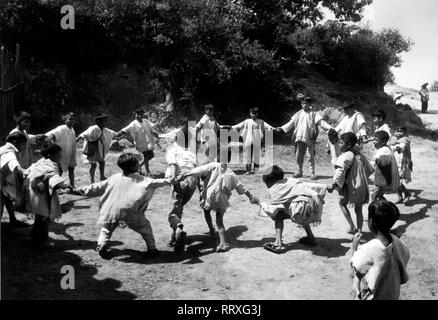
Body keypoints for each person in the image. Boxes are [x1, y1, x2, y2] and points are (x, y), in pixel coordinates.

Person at [75, 153, 173, 259]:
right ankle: (152, 249)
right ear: (135, 166)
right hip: (131, 212)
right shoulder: (142, 179)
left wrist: (79, 190)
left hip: (110, 211)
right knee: (145, 228)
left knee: (106, 229)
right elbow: (160, 182)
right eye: (137, 163)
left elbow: (96, 187)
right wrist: (172, 180)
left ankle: (101, 245)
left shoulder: (113, 178)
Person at [180, 162, 254, 252]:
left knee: (206, 211)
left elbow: (197, 171)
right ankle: (222, 243)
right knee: (219, 221)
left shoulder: (212, 165)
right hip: (222, 198)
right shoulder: (231, 173)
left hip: (209, 196)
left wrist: (182, 174)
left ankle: (211, 230)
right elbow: (241, 186)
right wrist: (250, 196)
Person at [251, 165, 326, 252]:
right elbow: (309, 185)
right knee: (298, 203)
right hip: (316, 210)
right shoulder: (291, 180)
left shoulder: (274, 190)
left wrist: (258, 202)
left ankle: (277, 243)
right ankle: (311, 238)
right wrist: (326, 187)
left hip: (302, 214)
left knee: (278, 214)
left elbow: (271, 211)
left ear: (269, 181)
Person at [350, 200, 410, 300]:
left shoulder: (368, 249)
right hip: (391, 294)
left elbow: (357, 270)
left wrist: (354, 248)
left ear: (371, 222)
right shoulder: (399, 244)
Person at [25, 143, 73, 248]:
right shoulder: (52, 165)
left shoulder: (40, 162)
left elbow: (27, 172)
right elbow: (54, 178)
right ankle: (42, 241)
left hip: (33, 192)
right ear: (51, 155)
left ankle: (34, 234)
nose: (60, 157)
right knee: (44, 216)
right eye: (58, 154)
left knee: (39, 215)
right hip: (42, 196)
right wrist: (65, 185)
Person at [327, 132, 374, 234]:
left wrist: (334, 185)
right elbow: (369, 169)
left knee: (342, 203)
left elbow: (340, 172)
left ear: (348, 145)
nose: (339, 145)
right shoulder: (359, 155)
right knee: (358, 209)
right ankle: (360, 230)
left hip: (349, 186)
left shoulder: (346, 156)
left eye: (340, 143)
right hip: (361, 185)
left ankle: (352, 226)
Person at [275, 96, 332, 180]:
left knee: (310, 155)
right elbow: (291, 123)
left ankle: (312, 173)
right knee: (299, 155)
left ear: (309, 104)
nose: (304, 105)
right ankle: (299, 171)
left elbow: (321, 123)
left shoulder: (314, 114)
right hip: (299, 136)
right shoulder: (298, 114)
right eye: (302, 103)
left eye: (305, 103)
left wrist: (331, 128)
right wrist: (281, 128)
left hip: (310, 137)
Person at [165, 129, 198, 253]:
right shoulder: (191, 153)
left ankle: (178, 228)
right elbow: (196, 169)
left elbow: (173, 164)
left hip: (179, 179)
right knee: (178, 208)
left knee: (173, 211)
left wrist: (173, 177)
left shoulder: (172, 150)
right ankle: (172, 238)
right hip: (192, 181)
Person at [232, 107, 274, 174]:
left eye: (255, 114)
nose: (253, 115)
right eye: (252, 113)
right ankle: (248, 170)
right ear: (250, 114)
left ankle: (256, 170)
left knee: (257, 156)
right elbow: (238, 126)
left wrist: (274, 128)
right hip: (248, 141)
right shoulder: (247, 121)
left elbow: (268, 126)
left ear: (258, 114)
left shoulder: (261, 121)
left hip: (257, 141)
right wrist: (230, 127)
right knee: (248, 156)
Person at [116, 109, 159, 175]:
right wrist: (120, 132)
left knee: (151, 155)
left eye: (141, 114)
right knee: (146, 156)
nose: (139, 116)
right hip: (141, 142)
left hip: (149, 141)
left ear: (143, 115)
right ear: (135, 115)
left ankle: (139, 166)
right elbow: (127, 128)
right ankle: (148, 172)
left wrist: (155, 133)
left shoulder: (145, 121)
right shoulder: (133, 123)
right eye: (137, 114)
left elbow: (151, 128)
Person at [77, 113, 116, 183]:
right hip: (92, 148)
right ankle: (92, 180)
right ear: (98, 121)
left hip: (99, 149)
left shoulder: (105, 130)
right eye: (104, 121)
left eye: (106, 121)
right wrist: (80, 138)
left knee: (102, 162)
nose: (105, 122)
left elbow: (113, 133)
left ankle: (102, 176)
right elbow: (85, 133)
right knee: (93, 165)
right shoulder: (93, 128)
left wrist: (119, 134)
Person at [0, 132, 29, 227]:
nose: (24, 147)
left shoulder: (3, 149)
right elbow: (13, 164)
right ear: (16, 142)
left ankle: (12, 219)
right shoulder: (9, 152)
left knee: (6, 197)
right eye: (23, 144)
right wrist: (23, 171)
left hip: (2, 178)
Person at [45, 112, 77, 187]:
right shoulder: (61, 128)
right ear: (65, 120)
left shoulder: (72, 130)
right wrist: (48, 142)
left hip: (70, 153)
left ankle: (72, 185)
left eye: (74, 119)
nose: (72, 121)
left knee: (71, 169)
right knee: (59, 170)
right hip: (61, 153)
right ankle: (56, 186)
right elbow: (51, 135)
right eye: (70, 119)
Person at [371, 131, 400, 202]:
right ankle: (388, 209)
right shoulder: (386, 148)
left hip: (382, 179)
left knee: (373, 196)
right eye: (373, 139)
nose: (374, 142)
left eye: (376, 140)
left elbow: (378, 160)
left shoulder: (383, 151)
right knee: (379, 196)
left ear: (383, 142)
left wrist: (374, 161)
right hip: (384, 178)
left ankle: (373, 211)